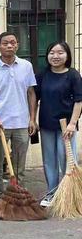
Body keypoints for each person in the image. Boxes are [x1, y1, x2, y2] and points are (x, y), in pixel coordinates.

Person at [0, 32, 37, 206]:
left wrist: (32, 119)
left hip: (22, 123)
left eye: (13, 42)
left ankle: (18, 195)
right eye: (5, 43)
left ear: (17, 45)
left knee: (20, 165)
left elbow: (31, 93)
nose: (10, 46)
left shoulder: (26, 66)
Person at [35, 41, 82, 191]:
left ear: (67, 55)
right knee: (49, 160)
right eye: (52, 52)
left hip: (66, 126)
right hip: (47, 124)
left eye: (60, 52)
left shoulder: (73, 75)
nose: (56, 56)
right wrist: (33, 120)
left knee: (66, 158)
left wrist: (73, 123)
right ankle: (52, 192)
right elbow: (34, 99)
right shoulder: (42, 74)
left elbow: (79, 101)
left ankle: (69, 192)